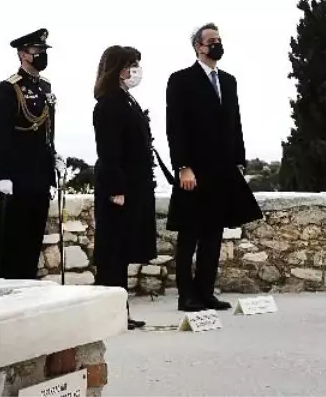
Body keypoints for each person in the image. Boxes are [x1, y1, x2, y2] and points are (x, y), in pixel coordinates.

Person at [165, 23, 262, 312]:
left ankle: (206, 291)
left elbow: (236, 124)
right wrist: (182, 166)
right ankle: (186, 295)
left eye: (219, 39)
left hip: (223, 171)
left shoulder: (229, 81)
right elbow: (175, 128)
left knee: (213, 236)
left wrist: (239, 162)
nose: (217, 44)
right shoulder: (181, 80)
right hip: (193, 172)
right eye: (211, 41)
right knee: (189, 236)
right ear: (198, 46)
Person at [0, 28, 63, 280]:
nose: (41, 55)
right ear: (22, 54)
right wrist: (2, 174)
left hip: (40, 175)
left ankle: (29, 286)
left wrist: (53, 166)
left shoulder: (44, 87)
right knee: (13, 240)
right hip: (17, 177)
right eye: (36, 51)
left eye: (43, 50)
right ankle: (9, 288)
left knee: (33, 238)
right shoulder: (9, 88)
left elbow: (47, 133)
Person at [92, 45, 158, 330]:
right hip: (119, 188)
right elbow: (109, 151)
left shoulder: (125, 100)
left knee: (122, 252)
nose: (136, 71)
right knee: (113, 255)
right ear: (119, 69)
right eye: (132, 65)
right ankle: (110, 314)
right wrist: (116, 189)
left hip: (136, 184)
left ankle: (120, 311)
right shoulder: (109, 104)